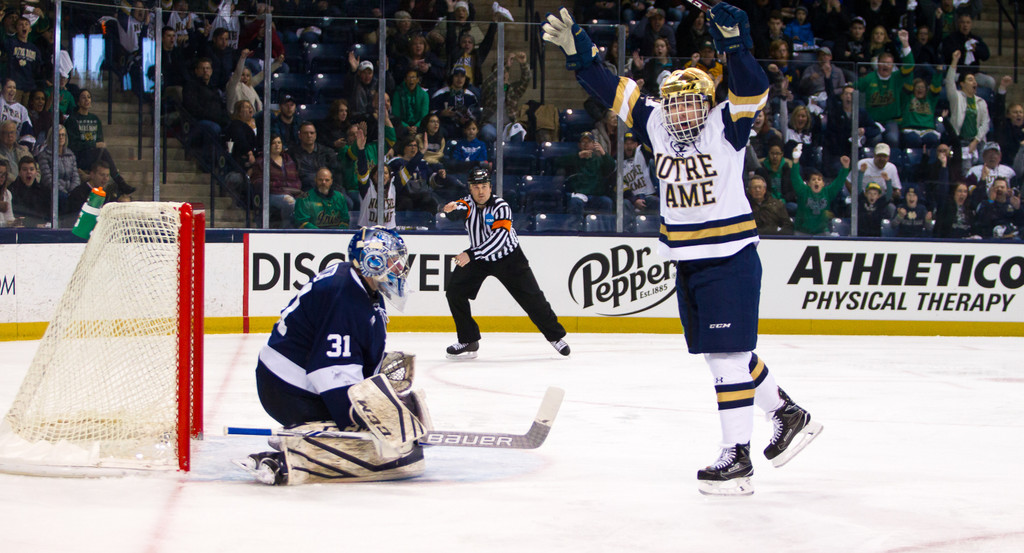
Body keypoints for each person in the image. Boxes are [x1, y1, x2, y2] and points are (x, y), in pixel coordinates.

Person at [543, 3, 821, 496]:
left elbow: (753, 86)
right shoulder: (655, 124)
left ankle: (738, 459)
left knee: (727, 357)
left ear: (706, 101)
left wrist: (735, 43)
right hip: (688, 264)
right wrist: (580, 52)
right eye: (673, 101)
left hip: (730, 259)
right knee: (725, 356)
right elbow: (611, 88)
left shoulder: (726, 125)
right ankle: (786, 412)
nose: (679, 109)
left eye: (689, 101)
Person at [236, 227, 423, 485]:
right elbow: (330, 371)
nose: (399, 267)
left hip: (291, 381)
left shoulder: (357, 285)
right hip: (289, 390)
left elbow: (342, 347)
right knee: (392, 452)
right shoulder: (345, 296)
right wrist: (359, 418)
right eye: (393, 260)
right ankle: (295, 455)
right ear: (373, 260)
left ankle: (304, 433)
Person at [442, 167, 570, 359]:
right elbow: (457, 208)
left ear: (490, 187)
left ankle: (555, 337)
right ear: (470, 189)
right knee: (454, 292)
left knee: (533, 298)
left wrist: (471, 254)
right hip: (479, 259)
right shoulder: (467, 204)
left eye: (484, 186)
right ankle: (468, 339)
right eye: (476, 187)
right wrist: (449, 209)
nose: (481, 191)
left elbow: (500, 238)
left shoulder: (501, 207)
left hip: (509, 258)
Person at [945, 50, 990, 168]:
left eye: (974, 80)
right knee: (965, 169)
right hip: (961, 141)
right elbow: (949, 82)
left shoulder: (981, 102)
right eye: (970, 80)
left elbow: (985, 124)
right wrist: (954, 61)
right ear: (962, 84)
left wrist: (975, 142)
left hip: (978, 141)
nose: (974, 82)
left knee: (981, 168)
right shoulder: (957, 97)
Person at [250, 134, 302, 227]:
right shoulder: (261, 161)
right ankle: (287, 230)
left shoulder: (288, 159)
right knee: (290, 203)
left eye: (279, 142)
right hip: (271, 194)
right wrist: (279, 187)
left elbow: (296, 179)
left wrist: (289, 188)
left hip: (290, 192)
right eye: (273, 143)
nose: (277, 145)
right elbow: (258, 182)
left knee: (307, 202)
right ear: (268, 145)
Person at [290, 122, 340, 192]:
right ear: (299, 135)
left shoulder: (327, 152)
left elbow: (336, 175)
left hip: (327, 188)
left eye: (312, 133)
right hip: (305, 190)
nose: (309, 135)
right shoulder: (292, 154)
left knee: (348, 201)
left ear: (315, 135)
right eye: (305, 133)